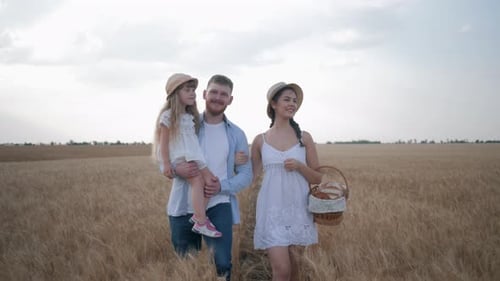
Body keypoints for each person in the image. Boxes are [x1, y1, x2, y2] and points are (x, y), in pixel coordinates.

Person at [155, 74, 253, 281]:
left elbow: (246, 174)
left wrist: (221, 187)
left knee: (222, 264)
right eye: (214, 92)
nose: (218, 97)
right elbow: (163, 154)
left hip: (219, 203)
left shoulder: (237, 134)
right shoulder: (185, 122)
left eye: (224, 94)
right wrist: (176, 169)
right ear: (205, 94)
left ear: (230, 100)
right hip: (182, 204)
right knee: (186, 265)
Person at [250, 81, 324, 281]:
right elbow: (251, 177)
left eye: (295, 100)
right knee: (281, 270)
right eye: (287, 99)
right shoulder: (260, 141)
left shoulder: (304, 138)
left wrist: (300, 167)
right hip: (272, 210)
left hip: (299, 209)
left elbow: (318, 178)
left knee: (295, 270)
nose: (292, 104)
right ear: (273, 104)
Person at [153, 73, 222, 238]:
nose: (192, 93)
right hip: (181, 156)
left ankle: (198, 215)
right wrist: (168, 164)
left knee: (211, 181)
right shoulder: (168, 116)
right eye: (187, 90)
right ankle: (200, 220)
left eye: (193, 90)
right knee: (198, 180)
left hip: (194, 155)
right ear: (176, 94)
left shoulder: (190, 117)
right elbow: (163, 144)